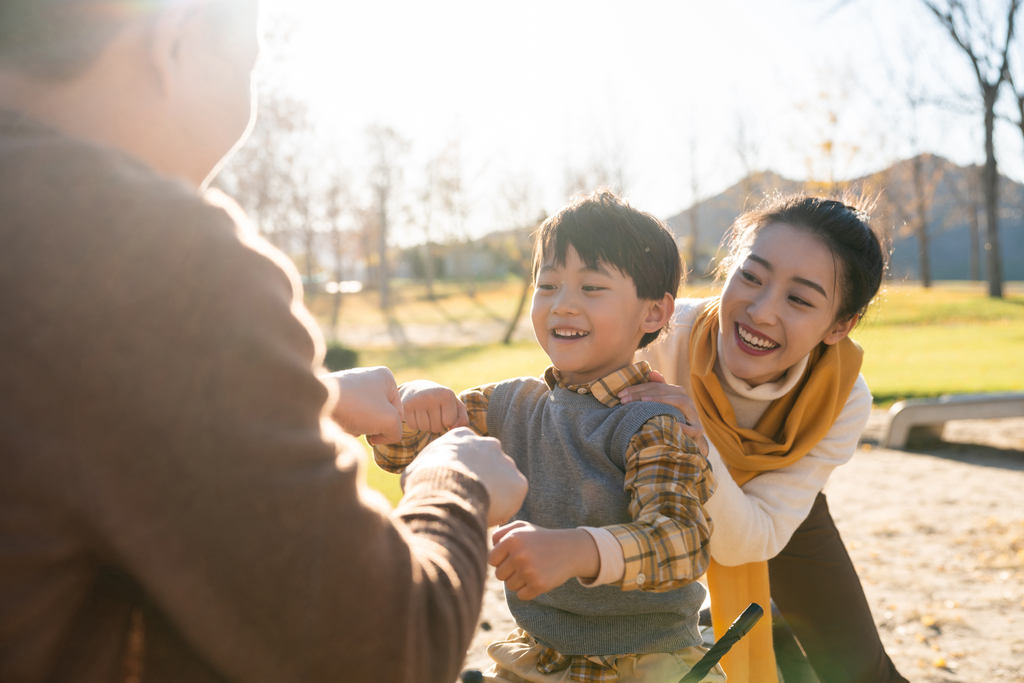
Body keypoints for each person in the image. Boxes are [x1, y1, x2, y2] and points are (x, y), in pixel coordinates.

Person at [0, 1, 527, 682]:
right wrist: (455, 479)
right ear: (174, 39)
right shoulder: (152, 253)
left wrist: (322, 398)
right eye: (248, 65)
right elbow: (381, 648)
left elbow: (58, 408)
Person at [374, 189, 725, 683]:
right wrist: (415, 396)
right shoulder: (512, 404)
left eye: (592, 288)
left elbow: (683, 542)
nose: (563, 305)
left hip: (646, 664)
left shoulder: (650, 421)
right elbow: (403, 452)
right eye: (549, 285)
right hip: (540, 657)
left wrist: (577, 550)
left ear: (653, 313)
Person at [620, 194, 908, 683]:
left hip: (770, 512)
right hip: (642, 499)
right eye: (751, 276)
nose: (760, 310)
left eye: (799, 299)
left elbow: (748, 542)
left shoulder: (840, 398)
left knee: (860, 670)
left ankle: (778, 640)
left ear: (840, 325)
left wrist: (698, 444)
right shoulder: (659, 336)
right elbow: (552, 396)